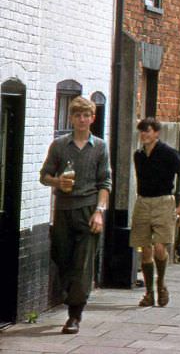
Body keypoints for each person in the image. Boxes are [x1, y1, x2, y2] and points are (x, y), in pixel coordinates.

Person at [40, 96, 112, 334]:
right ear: (71, 118)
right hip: (63, 209)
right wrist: (57, 182)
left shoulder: (100, 146)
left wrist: (99, 212)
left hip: (88, 210)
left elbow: (105, 183)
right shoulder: (59, 145)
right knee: (62, 259)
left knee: (83, 264)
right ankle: (71, 296)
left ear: (93, 118)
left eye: (86, 116)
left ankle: (74, 316)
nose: (82, 120)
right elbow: (44, 175)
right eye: (77, 115)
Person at [130, 117, 180, 308]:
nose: (143, 135)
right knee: (144, 248)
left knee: (159, 247)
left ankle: (161, 283)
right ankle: (149, 293)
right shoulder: (138, 155)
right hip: (143, 201)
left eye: (147, 131)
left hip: (164, 201)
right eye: (141, 132)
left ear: (156, 133)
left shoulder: (168, 153)